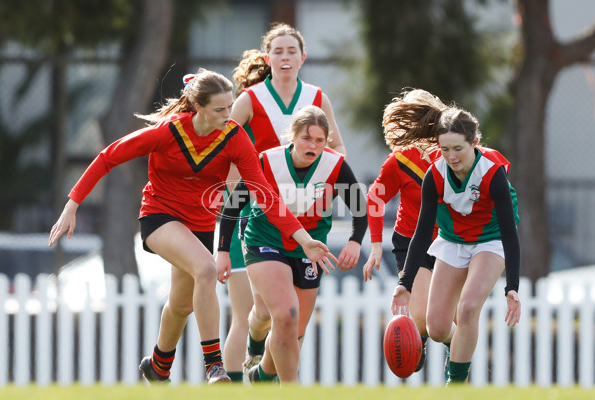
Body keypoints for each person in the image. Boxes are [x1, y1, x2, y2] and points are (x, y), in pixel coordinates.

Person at [48, 68, 335, 385]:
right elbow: (109, 156)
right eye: (220, 109)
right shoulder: (168, 132)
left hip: (200, 225)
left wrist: (303, 238)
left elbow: (266, 195)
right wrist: (72, 204)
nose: (229, 114)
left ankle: (158, 366)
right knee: (206, 270)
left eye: (230, 106)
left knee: (182, 304)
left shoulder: (234, 138)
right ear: (198, 107)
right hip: (159, 216)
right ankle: (214, 365)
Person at [221, 22, 347, 383]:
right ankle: (248, 361)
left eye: (292, 50)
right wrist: (230, 191)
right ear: (267, 57)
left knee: (290, 317)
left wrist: (326, 186)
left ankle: (265, 376)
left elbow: (338, 149)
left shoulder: (317, 97)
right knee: (253, 310)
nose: (285, 56)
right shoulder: (250, 99)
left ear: (303, 57)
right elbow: (225, 147)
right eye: (278, 50)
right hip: (256, 211)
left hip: (304, 216)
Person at [216, 105, 366, 384]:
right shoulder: (266, 161)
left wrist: (355, 242)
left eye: (320, 140)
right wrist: (223, 250)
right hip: (265, 240)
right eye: (307, 138)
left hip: (310, 248)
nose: (313, 146)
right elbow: (233, 205)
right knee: (284, 314)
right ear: (293, 136)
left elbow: (360, 208)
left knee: (294, 330)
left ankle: (261, 376)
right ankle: (290, 388)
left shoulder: (334, 165)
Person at [389, 92, 521, 385]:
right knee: (435, 328)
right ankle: (456, 347)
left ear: (474, 143)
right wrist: (404, 283)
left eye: (458, 149)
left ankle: (456, 383)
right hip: (452, 241)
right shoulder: (435, 175)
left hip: (491, 240)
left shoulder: (492, 173)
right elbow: (422, 233)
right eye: (445, 149)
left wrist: (512, 287)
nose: (451, 156)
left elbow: (510, 233)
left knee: (468, 307)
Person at [362, 89, 445, 373]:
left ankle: (456, 364)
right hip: (412, 242)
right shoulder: (401, 161)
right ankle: (419, 339)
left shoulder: (455, 154)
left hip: (451, 243)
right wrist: (375, 246)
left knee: (450, 318)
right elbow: (374, 198)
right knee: (422, 318)